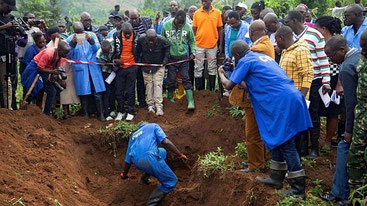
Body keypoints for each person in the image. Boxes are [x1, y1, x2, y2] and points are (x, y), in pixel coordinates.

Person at [219, 40, 311, 198]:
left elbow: (228, 86)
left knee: (287, 143)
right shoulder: (262, 58)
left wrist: (221, 73)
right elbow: (254, 85)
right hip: (290, 97)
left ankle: (298, 189)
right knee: (276, 139)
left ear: (237, 55)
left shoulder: (246, 60)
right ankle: (276, 177)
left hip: (280, 102)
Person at [285, 10, 331, 159]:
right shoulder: (290, 36)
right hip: (295, 82)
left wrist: (326, 81)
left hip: (314, 80)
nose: (285, 24)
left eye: (287, 21)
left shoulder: (314, 34)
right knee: (300, 114)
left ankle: (314, 148)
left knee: (313, 114)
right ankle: (303, 148)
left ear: (294, 21)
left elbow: (323, 59)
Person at [321, 36, 361, 206]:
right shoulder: (359, 55)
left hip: (360, 119)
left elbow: (351, 104)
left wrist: (349, 130)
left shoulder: (346, 67)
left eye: (331, 56)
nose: (331, 61)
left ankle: (341, 194)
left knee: (345, 148)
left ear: (342, 50)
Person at [121, 122, 187, 205]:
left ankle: (144, 179)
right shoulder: (153, 126)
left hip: (137, 162)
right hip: (150, 157)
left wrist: (124, 174)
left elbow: (128, 159)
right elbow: (165, 142)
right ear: (147, 124)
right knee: (171, 181)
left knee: (162, 152)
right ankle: (151, 204)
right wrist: (180, 154)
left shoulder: (133, 136)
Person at [314, 16, 345, 151]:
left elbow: (342, 64)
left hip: (334, 78)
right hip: (320, 79)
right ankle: (318, 139)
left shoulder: (336, 42)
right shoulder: (318, 41)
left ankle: (328, 140)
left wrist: (339, 83)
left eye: (317, 28)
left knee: (333, 111)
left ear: (323, 29)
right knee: (318, 110)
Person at [67, 22, 106, 121]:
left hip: (93, 67)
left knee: (96, 91)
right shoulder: (70, 39)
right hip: (80, 68)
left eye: (81, 32)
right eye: (78, 33)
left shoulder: (92, 35)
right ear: (74, 32)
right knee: (84, 93)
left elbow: (98, 49)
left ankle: (101, 114)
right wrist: (73, 43)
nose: (80, 34)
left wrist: (90, 40)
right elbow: (69, 55)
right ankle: (85, 114)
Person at [21, 42, 71, 115]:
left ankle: (45, 113)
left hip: (45, 72)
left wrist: (59, 79)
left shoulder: (59, 57)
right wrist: (52, 71)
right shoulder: (48, 53)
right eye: (65, 53)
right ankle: (26, 110)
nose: (66, 55)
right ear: (59, 49)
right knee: (32, 89)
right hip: (35, 70)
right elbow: (39, 68)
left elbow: (56, 68)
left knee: (51, 91)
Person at [347, 29, 367, 201]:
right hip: (361, 117)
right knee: (355, 157)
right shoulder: (362, 60)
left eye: (366, 48)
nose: (363, 52)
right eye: (361, 48)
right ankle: (357, 197)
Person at [161, 10, 196, 110]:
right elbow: (162, 40)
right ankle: (170, 98)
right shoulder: (166, 25)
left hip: (183, 57)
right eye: (179, 23)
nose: (181, 25)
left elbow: (192, 41)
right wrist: (163, 57)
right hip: (171, 58)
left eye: (183, 23)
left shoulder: (188, 26)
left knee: (185, 77)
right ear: (175, 18)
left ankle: (190, 101)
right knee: (171, 79)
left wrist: (193, 52)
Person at [135, 29, 169, 116]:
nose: (150, 42)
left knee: (157, 84)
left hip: (158, 66)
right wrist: (140, 63)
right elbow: (137, 52)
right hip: (146, 67)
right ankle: (150, 105)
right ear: (145, 38)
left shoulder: (163, 41)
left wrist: (165, 60)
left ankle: (158, 106)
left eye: (152, 40)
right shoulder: (140, 40)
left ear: (156, 38)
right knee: (148, 85)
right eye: (148, 40)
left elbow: (167, 51)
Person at [275, 26, 313, 100]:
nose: (276, 44)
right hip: (287, 96)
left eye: (276, 41)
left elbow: (308, 74)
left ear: (281, 38)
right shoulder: (285, 51)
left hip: (297, 97)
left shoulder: (301, 50)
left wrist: (301, 97)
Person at [193, 0, 223, 91]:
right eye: (203, 1)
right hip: (199, 45)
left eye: (206, 1)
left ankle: (211, 90)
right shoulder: (197, 13)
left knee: (212, 67)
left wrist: (220, 45)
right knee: (198, 67)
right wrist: (198, 38)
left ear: (211, 1)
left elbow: (220, 29)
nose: (204, 3)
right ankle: (199, 90)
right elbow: (194, 28)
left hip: (213, 45)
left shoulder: (217, 13)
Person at [112, 22, 137, 121]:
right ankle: (121, 111)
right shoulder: (116, 36)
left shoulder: (136, 36)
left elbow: (138, 51)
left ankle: (131, 111)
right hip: (120, 68)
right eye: (126, 33)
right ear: (122, 31)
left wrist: (136, 65)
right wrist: (115, 60)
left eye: (129, 34)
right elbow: (113, 50)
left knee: (130, 91)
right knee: (119, 91)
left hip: (131, 67)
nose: (127, 35)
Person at [129, 9, 153, 108]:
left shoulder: (146, 21)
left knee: (147, 79)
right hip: (135, 55)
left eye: (135, 18)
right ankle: (141, 101)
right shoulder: (128, 26)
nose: (134, 20)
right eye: (132, 18)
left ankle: (149, 101)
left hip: (147, 55)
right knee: (138, 79)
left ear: (139, 15)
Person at [96, 40, 115, 121]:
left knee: (115, 91)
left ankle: (113, 109)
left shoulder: (114, 48)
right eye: (105, 52)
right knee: (107, 92)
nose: (107, 54)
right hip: (106, 73)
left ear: (110, 47)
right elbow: (102, 65)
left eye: (108, 51)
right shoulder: (99, 54)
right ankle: (106, 112)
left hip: (115, 71)